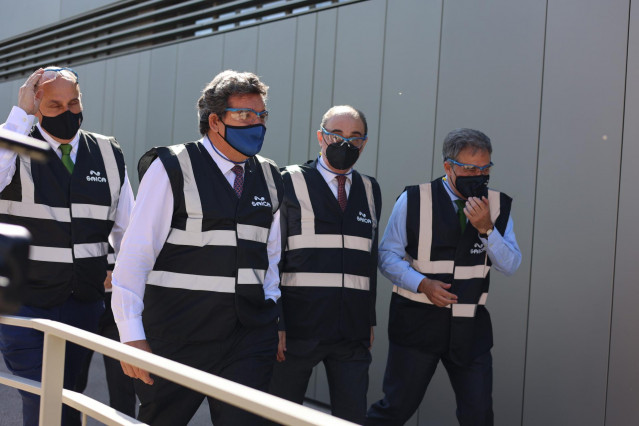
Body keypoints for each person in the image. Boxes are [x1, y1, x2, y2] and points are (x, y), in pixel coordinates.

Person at [111, 70, 284, 426]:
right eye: (245, 115)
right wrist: (130, 337)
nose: (257, 123)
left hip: (247, 338)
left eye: (261, 114)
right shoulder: (172, 167)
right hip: (177, 337)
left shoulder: (270, 176)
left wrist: (271, 310)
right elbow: (135, 255)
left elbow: (271, 257)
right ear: (215, 121)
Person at [0, 67, 134, 426]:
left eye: (73, 102)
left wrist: (122, 281)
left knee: (70, 394)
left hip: (84, 305)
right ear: (37, 106)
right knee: (45, 399)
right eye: (55, 105)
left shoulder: (107, 152)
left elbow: (129, 232)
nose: (67, 112)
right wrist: (20, 114)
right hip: (25, 307)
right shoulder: (13, 143)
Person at [366, 128, 522, 426]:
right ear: (448, 166)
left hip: (471, 330)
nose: (479, 175)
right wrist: (422, 283)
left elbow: (511, 264)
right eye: (469, 168)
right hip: (416, 325)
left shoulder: (498, 206)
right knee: (395, 409)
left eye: (485, 168)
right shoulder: (414, 199)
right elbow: (387, 257)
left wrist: (487, 229)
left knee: (478, 416)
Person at [269, 105, 381, 424]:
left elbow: (368, 259)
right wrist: (276, 322)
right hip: (297, 329)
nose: (346, 143)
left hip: (352, 331)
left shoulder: (371, 189)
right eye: (337, 135)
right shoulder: (287, 181)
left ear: (364, 143)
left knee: (351, 417)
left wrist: (369, 318)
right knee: (280, 415)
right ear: (321, 137)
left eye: (355, 137)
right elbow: (270, 257)